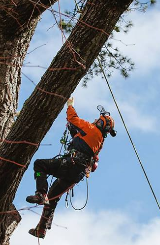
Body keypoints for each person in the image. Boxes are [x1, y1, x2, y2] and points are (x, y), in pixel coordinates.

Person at [26, 97, 116, 239]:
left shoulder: (91, 128)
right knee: (53, 197)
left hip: (70, 164)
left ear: (100, 122)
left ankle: (40, 194)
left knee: (40, 165)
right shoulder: (100, 141)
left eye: (98, 120)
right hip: (75, 175)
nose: (95, 120)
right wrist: (74, 132)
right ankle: (41, 229)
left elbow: (73, 118)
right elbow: (83, 143)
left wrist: (70, 105)